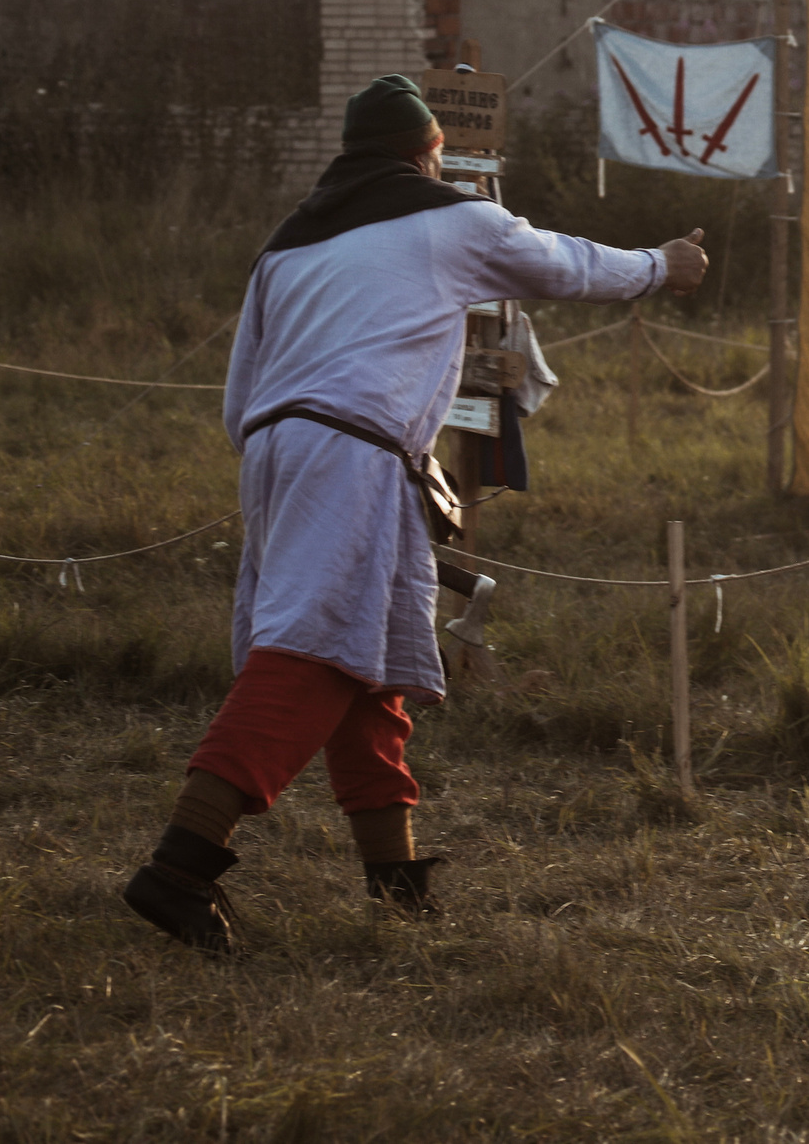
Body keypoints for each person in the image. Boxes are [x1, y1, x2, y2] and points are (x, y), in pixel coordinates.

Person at [122, 74, 708, 953]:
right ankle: (180, 864)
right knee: (313, 653)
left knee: (373, 660)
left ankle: (395, 883)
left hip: (284, 452)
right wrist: (665, 265)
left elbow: (240, 393)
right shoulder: (454, 222)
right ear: (426, 150)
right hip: (350, 452)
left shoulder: (285, 247)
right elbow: (567, 263)